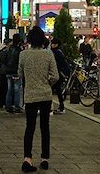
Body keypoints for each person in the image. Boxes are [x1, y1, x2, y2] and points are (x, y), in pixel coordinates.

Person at [19, 27, 58, 172]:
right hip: (45, 95)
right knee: (45, 127)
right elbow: (55, 76)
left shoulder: (23, 55)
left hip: (30, 94)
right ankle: (45, 158)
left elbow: (20, 73)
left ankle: (27, 159)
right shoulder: (48, 55)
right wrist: (47, 83)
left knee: (29, 127)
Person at [50, 38, 71, 114]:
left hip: (57, 74)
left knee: (55, 91)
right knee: (57, 91)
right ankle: (61, 107)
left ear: (56, 44)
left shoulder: (57, 52)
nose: (51, 45)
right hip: (58, 74)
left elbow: (58, 64)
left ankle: (59, 107)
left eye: (53, 43)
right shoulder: (58, 51)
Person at [6, 34, 24, 113]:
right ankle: (17, 106)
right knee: (17, 89)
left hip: (8, 71)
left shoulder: (9, 49)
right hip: (16, 72)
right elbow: (20, 62)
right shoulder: (19, 50)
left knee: (9, 89)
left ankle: (8, 106)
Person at [0, 38, 11, 110]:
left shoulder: (1, 51)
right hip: (6, 70)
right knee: (6, 88)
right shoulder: (8, 52)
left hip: (2, 70)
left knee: (2, 88)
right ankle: (5, 103)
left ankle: (1, 103)